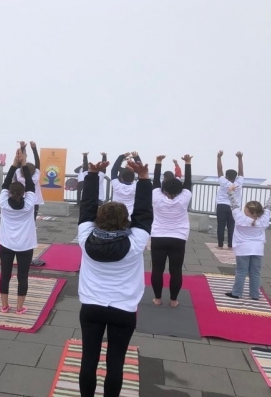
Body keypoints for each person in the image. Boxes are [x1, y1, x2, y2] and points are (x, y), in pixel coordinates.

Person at [77, 158, 152, 397]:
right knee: (115, 363)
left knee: (89, 359)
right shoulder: (136, 242)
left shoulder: (85, 237)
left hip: (91, 307)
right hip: (123, 309)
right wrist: (144, 179)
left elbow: (87, 207)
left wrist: (92, 175)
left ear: (98, 219)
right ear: (125, 220)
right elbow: (143, 213)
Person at [224, 181, 271, 300]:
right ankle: (255, 294)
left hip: (242, 249)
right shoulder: (264, 220)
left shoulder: (240, 218)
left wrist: (231, 190)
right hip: (258, 249)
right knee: (255, 272)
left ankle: (237, 292)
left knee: (241, 272)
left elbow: (234, 204)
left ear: (247, 211)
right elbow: (269, 205)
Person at [0, 149, 37, 315]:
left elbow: (5, 183)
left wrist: (14, 165)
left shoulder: (3, 203)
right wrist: (23, 164)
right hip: (25, 245)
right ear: (24, 193)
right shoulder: (29, 204)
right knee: (23, 276)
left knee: (5, 275)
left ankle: (4, 306)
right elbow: (31, 184)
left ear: (9, 193)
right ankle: (19, 308)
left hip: (6, 244)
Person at [150, 154, 193, 307]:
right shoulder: (184, 199)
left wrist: (158, 162)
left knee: (157, 269)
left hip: (158, 237)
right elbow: (188, 183)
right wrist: (188, 163)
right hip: (178, 238)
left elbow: (156, 181)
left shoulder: (157, 198)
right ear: (180, 190)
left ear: (164, 188)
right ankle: (173, 300)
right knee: (176, 270)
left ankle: (157, 299)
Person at [216, 151, 245, 249]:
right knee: (231, 226)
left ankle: (220, 244)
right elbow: (241, 171)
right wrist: (240, 158)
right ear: (235, 177)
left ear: (227, 176)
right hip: (234, 207)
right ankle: (230, 244)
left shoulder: (223, 182)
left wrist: (219, 157)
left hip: (221, 205)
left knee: (221, 225)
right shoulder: (238, 183)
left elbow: (219, 170)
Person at [110, 151, 141, 218]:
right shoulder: (135, 187)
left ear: (121, 178)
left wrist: (121, 157)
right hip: (130, 216)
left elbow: (113, 171)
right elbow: (141, 174)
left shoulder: (117, 186)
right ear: (133, 179)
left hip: (116, 215)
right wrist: (136, 158)